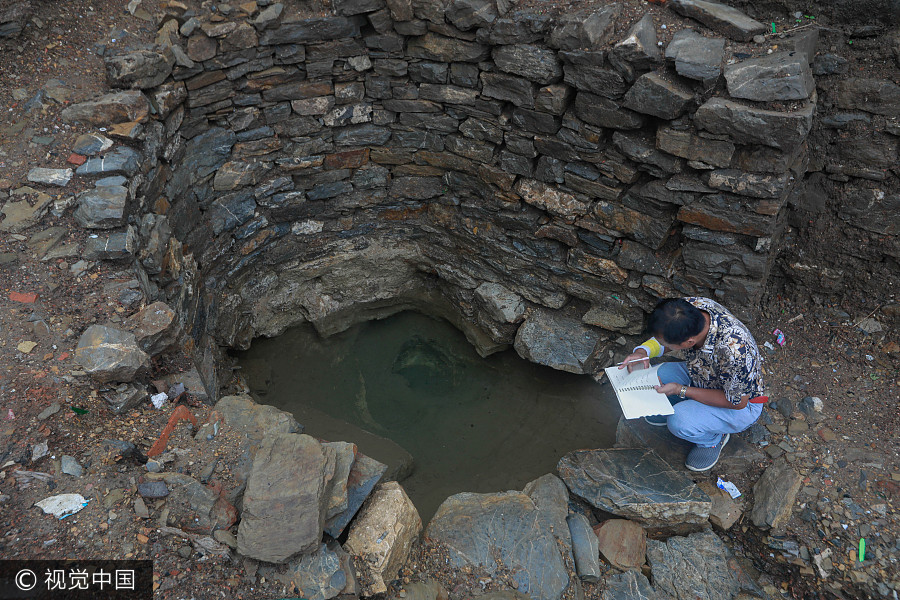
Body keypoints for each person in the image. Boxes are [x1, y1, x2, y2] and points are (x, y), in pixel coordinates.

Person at [619, 297, 765, 472]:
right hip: (703, 373)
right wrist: (643, 351)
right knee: (656, 374)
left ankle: (712, 440)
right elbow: (664, 337)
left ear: (689, 343)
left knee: (679, 421)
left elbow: (737, 402)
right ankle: (688, 408)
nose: (662, 345)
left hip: (741, 404)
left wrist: (681, 391)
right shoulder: (690, 308)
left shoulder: (734, 351)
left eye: (667, 344)